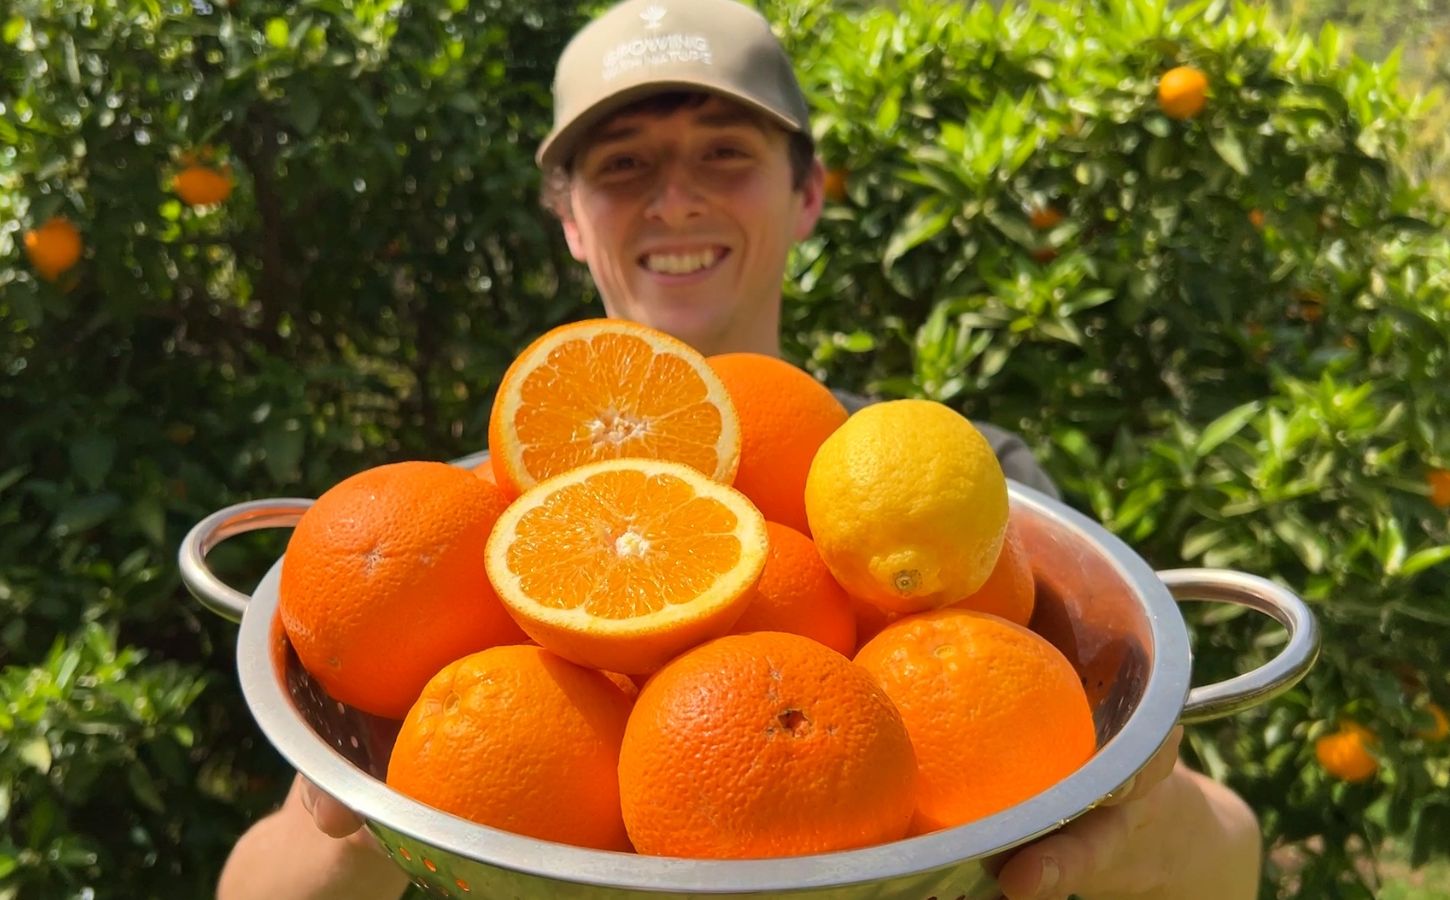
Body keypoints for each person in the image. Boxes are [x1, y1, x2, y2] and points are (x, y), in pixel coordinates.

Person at [217, 1, 1263, 898]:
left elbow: (1230, 861)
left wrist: (1130, 791)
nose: (674, 197)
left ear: (807, 192)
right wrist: (377, 821)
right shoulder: (497, 525)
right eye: (622, 166)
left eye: (725, 151)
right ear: (570, 222)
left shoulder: (947, 475)